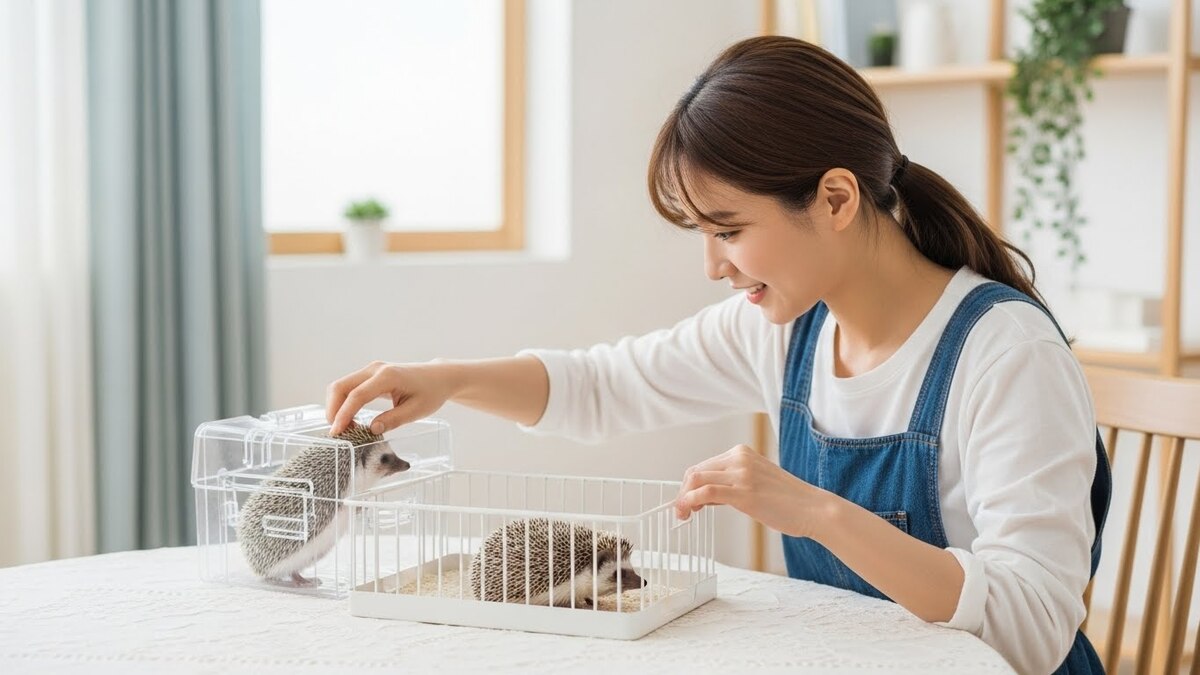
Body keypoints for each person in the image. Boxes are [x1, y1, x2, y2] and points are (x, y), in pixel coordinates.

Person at [325, 36, 1110, 675]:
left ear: (836, 199)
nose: (714, 266)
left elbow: (1033, 629)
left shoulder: (1005, 355)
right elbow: (604, 385)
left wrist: (812, 509)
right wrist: (449, 378)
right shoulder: (784, 330)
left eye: (728, 229)